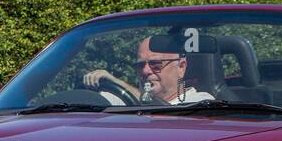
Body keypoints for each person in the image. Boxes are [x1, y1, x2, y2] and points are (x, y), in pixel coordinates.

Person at [83, 36, 214, 105]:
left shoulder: (201, 103)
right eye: (140, 65)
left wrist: (118, 83)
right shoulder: (126, 100)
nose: (145, 71)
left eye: (156, 64)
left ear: (181, 67)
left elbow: (164, 114)